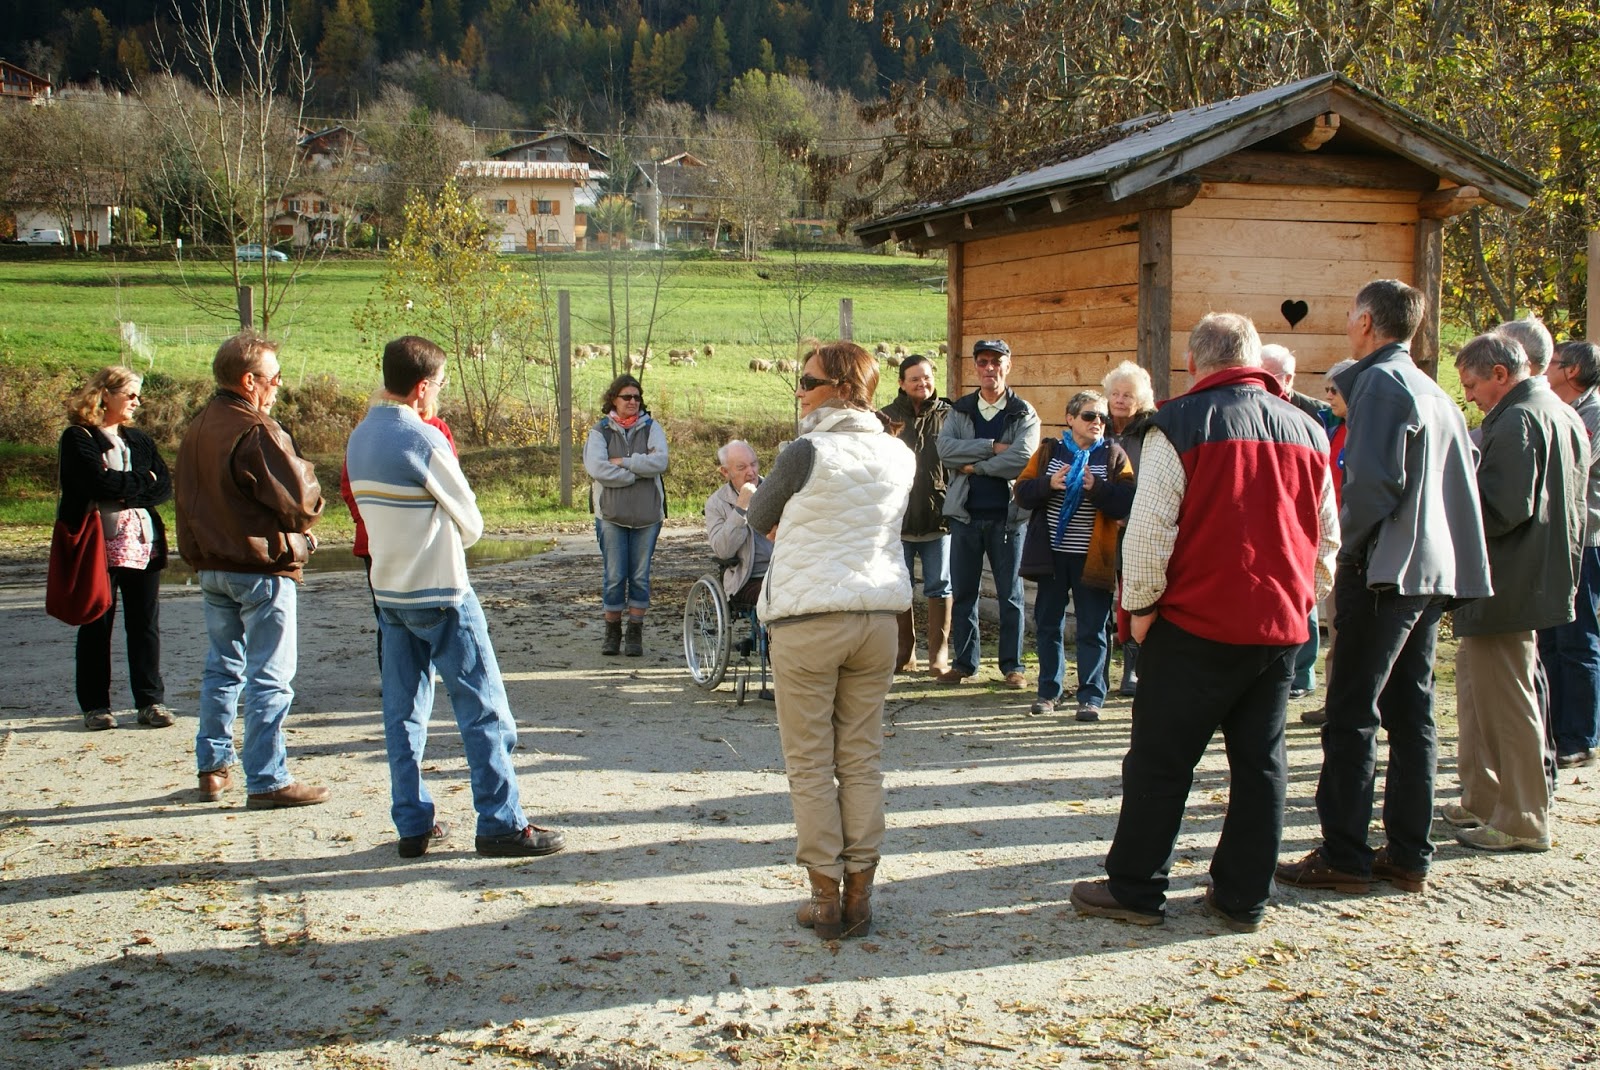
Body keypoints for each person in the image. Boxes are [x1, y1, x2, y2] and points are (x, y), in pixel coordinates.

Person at [1072, 312, 1337, 931]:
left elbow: (1149, 533)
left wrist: (1138, 609)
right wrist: (1306, 601)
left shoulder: (1179, 425)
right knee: (1261, 765)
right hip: (1276, 625)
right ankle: (1243, 896)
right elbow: (1326, 539)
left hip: (1194, 622)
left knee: (1160, 761)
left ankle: (1137, 887)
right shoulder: (1310, 428)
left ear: (1194, 363)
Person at [1277, 279, 1490, 896]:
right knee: (1411, 712)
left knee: (1350, 713)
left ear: (1366, 321)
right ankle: (1407, 851)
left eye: (1348, 313)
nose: (1346, 322)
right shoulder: (1433, 389)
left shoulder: (1375, 382)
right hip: (1428, 570)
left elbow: (1372, 483)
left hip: (1384, 570)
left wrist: (1349, 549)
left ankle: (1343, 852)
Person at [345, 336, 567, 860]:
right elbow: (471, 523)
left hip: (389, 591)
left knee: (403, 714)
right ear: (422, 389)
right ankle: (499, 822)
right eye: (440, 386)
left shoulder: (358, 437)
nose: (440, 395)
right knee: (484, 709)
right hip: (441, 591)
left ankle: (412, 823)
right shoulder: (422, 438)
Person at [746, 341, 914, 941]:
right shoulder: (900, 454)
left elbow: (756, 516)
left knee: (811, 764)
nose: (800, 390)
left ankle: (824, 895)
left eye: (809, 381)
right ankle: (862, 893)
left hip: (809, 618)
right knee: (862, 757)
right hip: (876, 619)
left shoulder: (804, 451)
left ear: (843, 387)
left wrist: (766, 509)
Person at [1445, 331, 1587, 852]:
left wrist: (1451, 505)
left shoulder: (1519, 419)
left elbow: (1503, 507)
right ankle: (1485, 796)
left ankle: (1523, 816)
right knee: (1483, 690)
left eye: (1473, 385)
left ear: (1501, 375)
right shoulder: (1555, 411)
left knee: (1506, 698)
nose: (1471, 396)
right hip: (1524, 576)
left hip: (1506, 580)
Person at [176, 333, 329, 808]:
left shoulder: (198, 425)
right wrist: (303, 530)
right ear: (250, 380)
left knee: (223, 670)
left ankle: (213, 767)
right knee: (270, 676)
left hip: (212, 565)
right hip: (259, 567)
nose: (279, 385)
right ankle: (266, 777)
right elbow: (301, 502)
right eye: (275, 377)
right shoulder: (255, 428)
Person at [59, 366, 175, 731]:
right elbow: (95, 481)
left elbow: (164, 486)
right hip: (97, 545)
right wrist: (141, 482)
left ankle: (150, 702)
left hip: (143, 542)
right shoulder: (77, 438)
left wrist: (126, 486)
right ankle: (95, 706)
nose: (137, 402)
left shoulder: (139, 440)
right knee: (97, 622)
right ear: (105, 394)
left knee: (144, 624)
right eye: (131, 395)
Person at [1013, 390, 1134, 720]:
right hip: (1051, 555)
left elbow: (1125, 500)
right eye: (1089, 416)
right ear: (1070, 418)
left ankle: (1091, 697)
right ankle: (1048, 693)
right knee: (1048, 624)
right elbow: (1021, 492)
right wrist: (1049, 484)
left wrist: (1097, 488)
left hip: (1093, 558)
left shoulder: (1113, 455)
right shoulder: (1050, 450)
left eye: (1102, 418)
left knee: (1093, 628)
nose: (1098, 423)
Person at [935, 339, 1041, 689]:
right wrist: (991, 448)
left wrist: (976, 467)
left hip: (1008, 517)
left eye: (997, 362)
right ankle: (965, 664)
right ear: (976, 367)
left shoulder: (1024, 412)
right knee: (965, 593)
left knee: (1011, 595)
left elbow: (1022, 458)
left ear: (1008, 366)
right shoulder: (961, 410)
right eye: (983, 362)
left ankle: (1013, 667)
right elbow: (945, 451)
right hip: (965, 515)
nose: (990, 368)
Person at [339, 379, 457, 671]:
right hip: (377, 543)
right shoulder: (367, 434)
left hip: (426, 542)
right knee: (388, 614)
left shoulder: (437, 430)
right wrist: (369, 522)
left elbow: (452, 488)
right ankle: (392, 675)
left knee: (435, 612)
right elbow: (349, 484)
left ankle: (427, 671)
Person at [1261, 343, 1335, 701]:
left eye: (1272, 374)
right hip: (1265, 516)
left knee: (1303, 595)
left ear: (1288, 378)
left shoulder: (1315, 414)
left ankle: (1302, 674)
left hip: (1304, 517)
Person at [1540, 339, 1600, 768]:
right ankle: (1557, 730)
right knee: (1554, 639)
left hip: (1588, 542)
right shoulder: (1570, 411)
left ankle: (1580, 737)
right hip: (1561, 539)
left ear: (1573, 370)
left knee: (1579, 639)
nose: (1547, 370)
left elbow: (1572, 463)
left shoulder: (1593, 415)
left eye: (1554, 364)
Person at [878, 353, 954, 675]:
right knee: (900, 586)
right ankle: (904, 653)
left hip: (939, 516)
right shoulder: (886, 418)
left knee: (939, 585)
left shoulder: (951, 415)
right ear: (901, 383)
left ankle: (938, 655)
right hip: (899, 519)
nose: (922, 383)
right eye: (914, 379)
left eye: (926, 377)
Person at [584, 374, 669, 657]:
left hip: (648, 516)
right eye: (627, 397)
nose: (633, 401)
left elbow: (661, 461)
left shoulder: (652, 428)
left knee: (641, 576)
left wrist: (626, 462)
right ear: (613, 400)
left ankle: (635, 631)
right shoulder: (600, 432)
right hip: (611, 516)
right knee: (615, 575)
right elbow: (598, 469)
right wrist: (635, 475)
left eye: (637, 397)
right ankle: (612, 631)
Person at [1300, 357, 1358, 728]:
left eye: (1335, 391)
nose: (1328, 397)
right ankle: (1335, 703)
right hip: (1334, 543)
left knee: (1348, 631)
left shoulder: (1363, 432)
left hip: (1357, 543)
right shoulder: (1332, 428)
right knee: (1336, 628)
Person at [1102, 360, 1159, 696]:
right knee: (1099, 598)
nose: (1120, 400)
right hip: (1100, 525)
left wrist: (1132, 513)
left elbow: (1156, 481)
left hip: (1138, 526)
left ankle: (1133, 670)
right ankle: (1099, 672)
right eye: (1115, 394)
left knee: (1133, 596)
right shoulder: (1098, 426)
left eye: (1128, 395)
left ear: (1141, 400)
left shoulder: (1152, 431)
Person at [705, 439, 773, 603]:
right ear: (725, 472)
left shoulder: (775, 490)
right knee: (775, 597)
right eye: (742, 468)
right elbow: (723, 551)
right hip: (748, 579)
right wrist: (741, 508)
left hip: (785, 573)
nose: (751, 472)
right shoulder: (716, 503)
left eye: (754, 464)